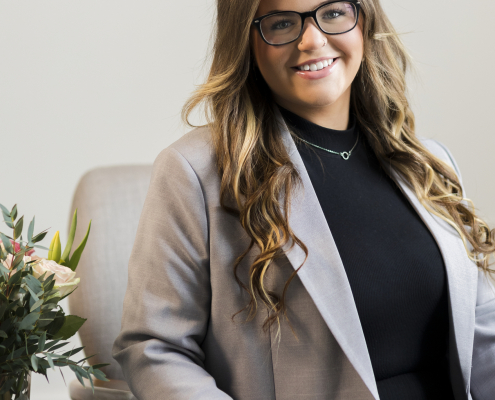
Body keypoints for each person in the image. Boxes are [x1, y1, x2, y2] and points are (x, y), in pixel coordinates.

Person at [112, 0, 495, 399]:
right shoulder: (197, 170)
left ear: (363, 20)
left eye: (332, 13)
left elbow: (483, 328)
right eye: (280, 23)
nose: (312, 40)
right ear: (246, 40)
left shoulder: (429, 163)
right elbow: (154, 348)